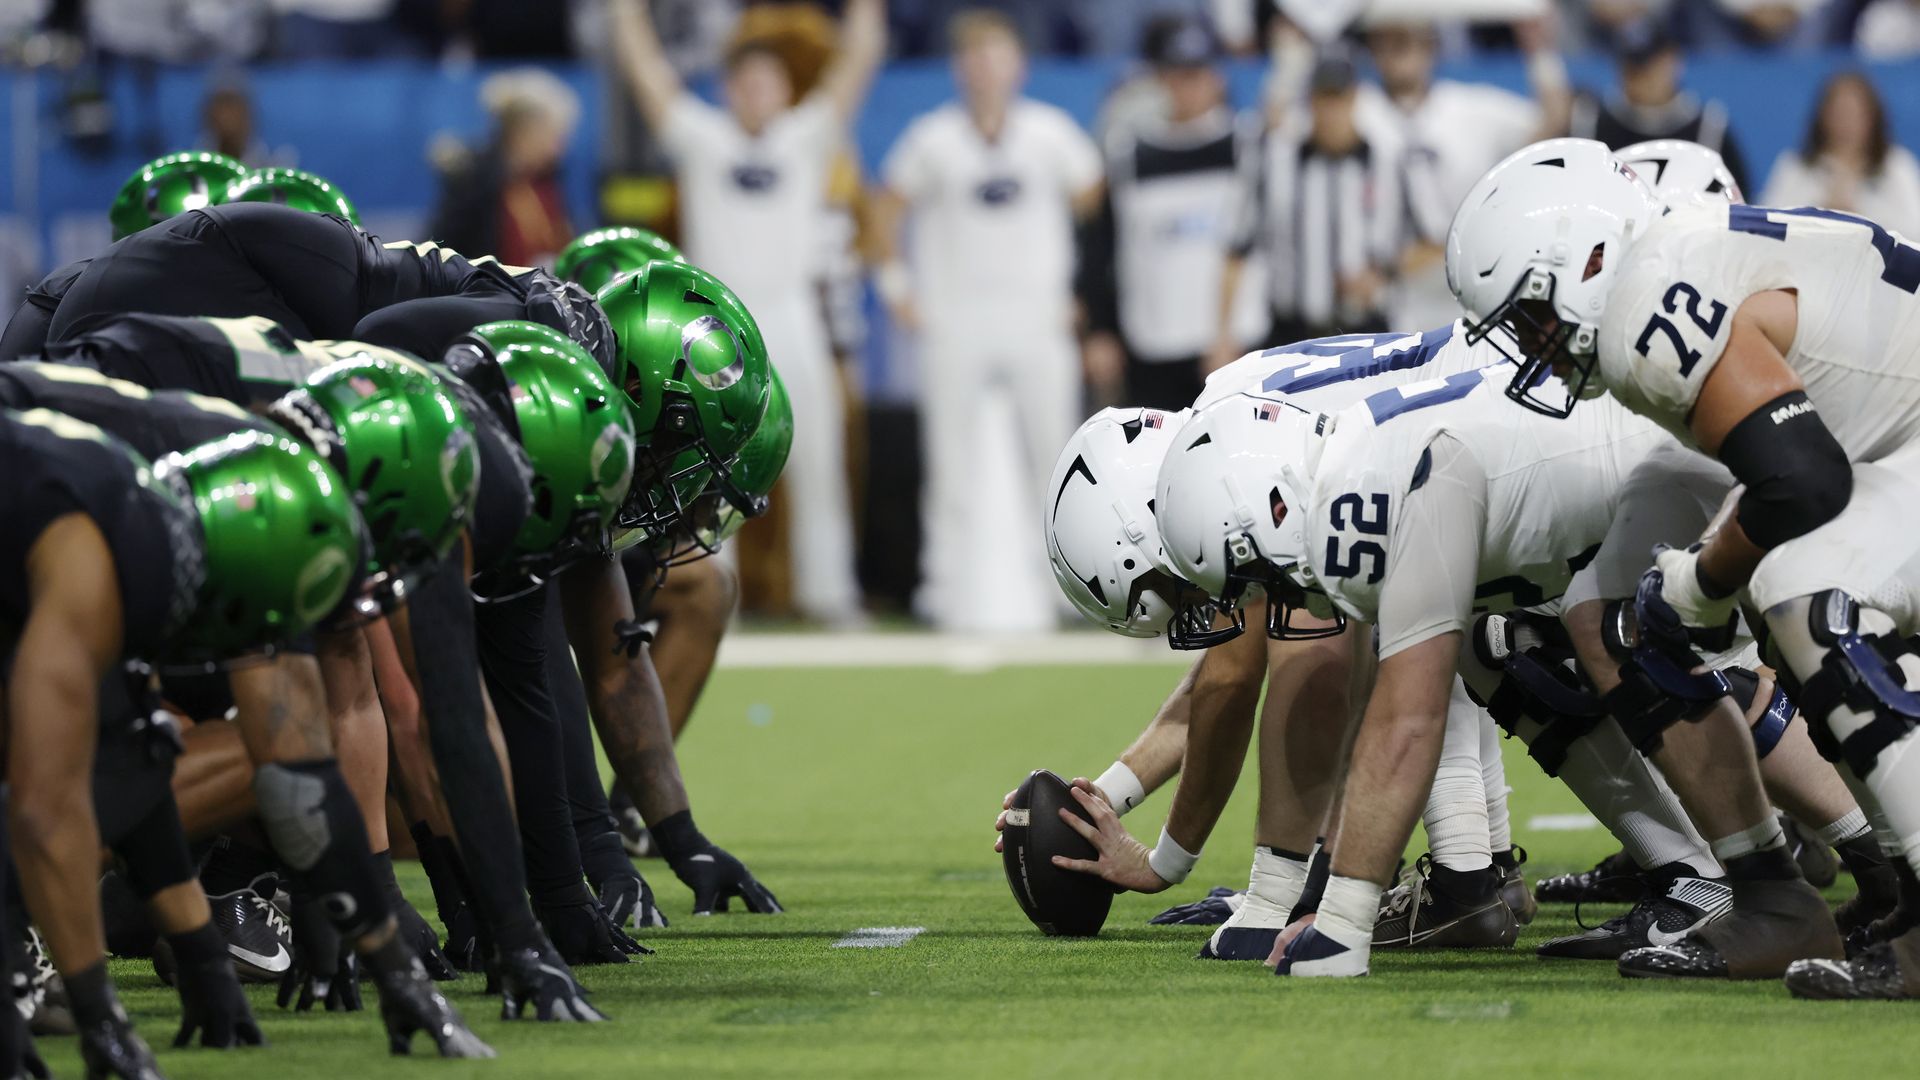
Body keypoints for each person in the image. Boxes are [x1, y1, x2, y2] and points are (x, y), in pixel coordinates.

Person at [1446, 136, 1920, 996]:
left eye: (1533, 317)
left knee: (1802, 594)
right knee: (1624, 607)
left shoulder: (1642, 305)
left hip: (1896, 442)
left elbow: (1805, 480)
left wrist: (1703, 583)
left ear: (1586, 262)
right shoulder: (1676, 252)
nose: (1533, 349)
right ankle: (1785, 890)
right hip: (1888, 438)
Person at [610, 0, 882, 627]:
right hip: (718, 328)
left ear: (787, 91)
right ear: (729, 90)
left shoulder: (806, 136)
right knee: (707, 468)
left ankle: (829, 593)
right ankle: (713, 597)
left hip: (792, 313)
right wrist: (624, 14)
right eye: (745, 81)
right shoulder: (704, 138)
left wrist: (867, 12)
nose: (757, 91)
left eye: (768, 81)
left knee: (817, 457)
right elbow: (649, 75)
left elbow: (856, 64)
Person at [873, 8, 1104, 632]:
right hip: (956, 317)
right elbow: (883, 206)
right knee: (948, 461)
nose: (985, 68)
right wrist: (896, 284)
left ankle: (1070, 589)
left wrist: (1085, 289)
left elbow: (1094, 203)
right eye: (975, 56)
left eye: (996, 55)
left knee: (1058, 457)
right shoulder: (932, 139)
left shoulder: (1050, 134)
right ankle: (941, 589)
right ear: (959, 68)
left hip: (1036, 314)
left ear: (1018, 65)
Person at [1079, 15, 1265, 410]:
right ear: (1161, 78)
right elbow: (1101, 246)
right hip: (1153, 343)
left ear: (1217, 75)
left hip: (1235, 346)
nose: (1189, 86)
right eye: (1178, 73)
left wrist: (1228, 335)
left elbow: (1254, 243)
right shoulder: (1128, 153)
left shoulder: (1248, 143)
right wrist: (1100, 329)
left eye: (1198, 72)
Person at [1361, 16, 1570, 331]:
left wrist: (1539, 52)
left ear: (1430, 46)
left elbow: (1553, 123)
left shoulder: (1470, 108)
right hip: (1388, 291)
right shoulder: (1357, 110)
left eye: (1406, 42)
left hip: (1466, 284)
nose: (1397, 52)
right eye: (1387, 42)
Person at [1216, 52, 1399, 367]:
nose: (1330, 111)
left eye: (1338, 98)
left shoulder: (1386, 162)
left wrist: (1382, 274)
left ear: (1355, 98)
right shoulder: (1275, 163)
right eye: (1323, 99)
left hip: (1364, 332)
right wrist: (1222, 335)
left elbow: (1428, 241)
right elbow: (1237, 247)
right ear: (1310, 101)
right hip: (1292, 333)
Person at [1568, 20, 1750, 191]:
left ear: (1674, 62)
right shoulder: (1590, 125)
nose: (1642, 76)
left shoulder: (1710, 131)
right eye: (1633, 66)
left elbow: (1738, 206)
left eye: (1651, 65)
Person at [428, 68, 581, 268]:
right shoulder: (473, 179)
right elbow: (439, 254)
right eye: (554, 137)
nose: (559, 150)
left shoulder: (547, 180)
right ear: (526, 131)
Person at [1759, 70, 1920, 239]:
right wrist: (1822, 214)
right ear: (1823, 116)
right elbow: (1768, 226)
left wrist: (1859, 217)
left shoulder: (1896, 166)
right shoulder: (1795, 166)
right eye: (1839, 113)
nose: (1846, 123)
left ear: (1873, 118)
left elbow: (1914, 231)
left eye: (1855, 114)